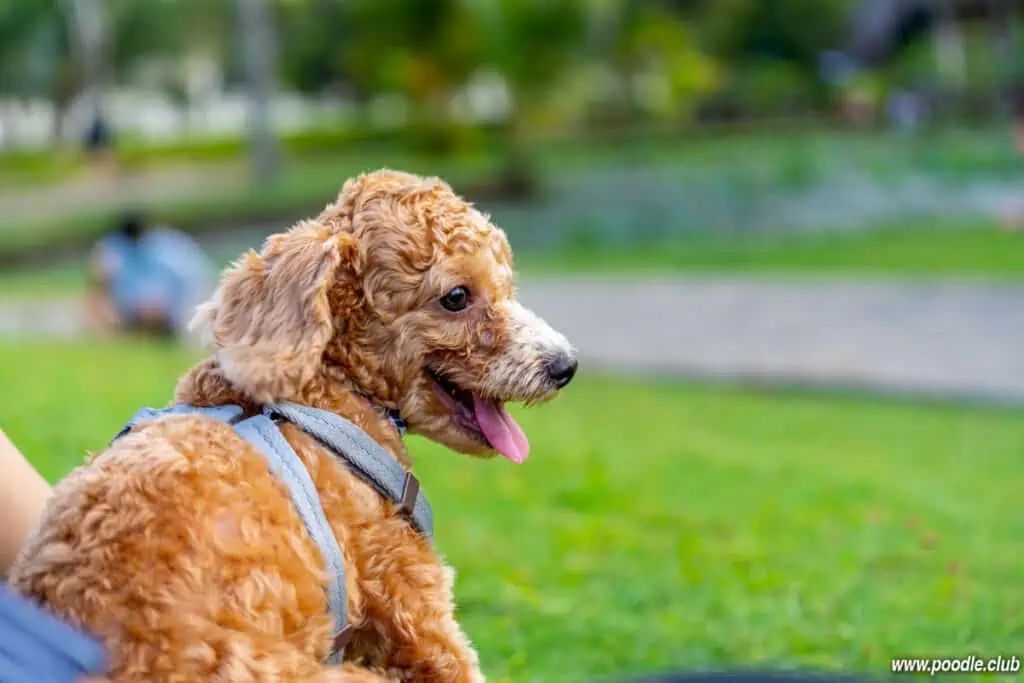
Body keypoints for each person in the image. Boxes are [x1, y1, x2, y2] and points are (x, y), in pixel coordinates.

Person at [86, 211, 216, 340]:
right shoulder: (115, 249)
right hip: (142, 307)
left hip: (175, 305)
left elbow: (188, 282)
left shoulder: (163, 249)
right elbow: (100, 281)